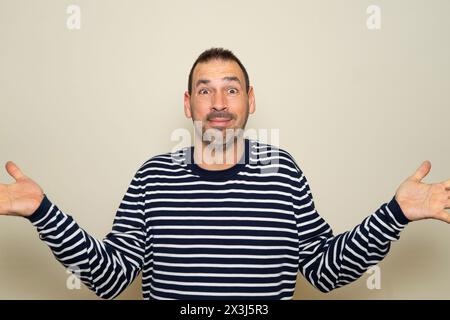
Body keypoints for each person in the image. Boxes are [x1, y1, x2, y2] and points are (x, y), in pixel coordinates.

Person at [0, 48, 449, 300]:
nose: (218, 103)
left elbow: (322, 270)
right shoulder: (154, 176)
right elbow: (110, 278)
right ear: (188, 104)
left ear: (250, 101)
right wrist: (41, 211)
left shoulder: (282, 171)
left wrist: (396, 213)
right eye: (205, 90)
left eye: (231, 89)